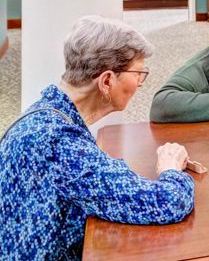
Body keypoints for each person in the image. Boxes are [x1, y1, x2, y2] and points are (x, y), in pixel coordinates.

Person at [0, 16, 194, 260]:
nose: (140, 84)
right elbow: (167, 202)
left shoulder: (44, 114)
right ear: (107, 81)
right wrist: (171, 169)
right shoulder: (60, 143)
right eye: (138, 73)